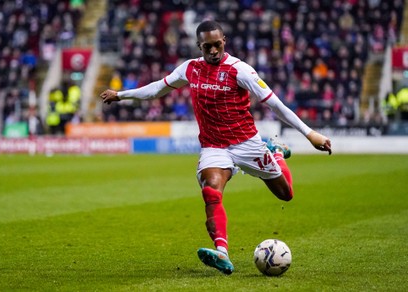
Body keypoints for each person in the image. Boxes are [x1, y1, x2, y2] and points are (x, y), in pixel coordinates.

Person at [100, 20, 332, 275]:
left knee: (285, 194)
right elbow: (157, 89)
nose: (213, 51)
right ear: (199, 46)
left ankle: (275, 152)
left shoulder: (240, 70)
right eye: (207, 46)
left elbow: (275, 104)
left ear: (224, 42)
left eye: (217, 45)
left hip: (247, 143)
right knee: (211, 190)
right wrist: (121, 94)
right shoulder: (190, 69)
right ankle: (222, 251)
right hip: (214, 146)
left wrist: (310, 134)